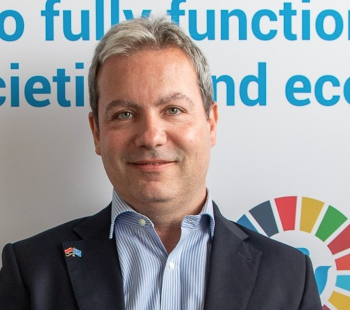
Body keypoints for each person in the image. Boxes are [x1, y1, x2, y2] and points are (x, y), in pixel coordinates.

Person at [0, 17, 322, 310]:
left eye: (173, 110)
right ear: (97, 133)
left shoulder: (291, 278)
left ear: (211, 123)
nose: (151, 137)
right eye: (124, 114)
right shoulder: (31, 271)